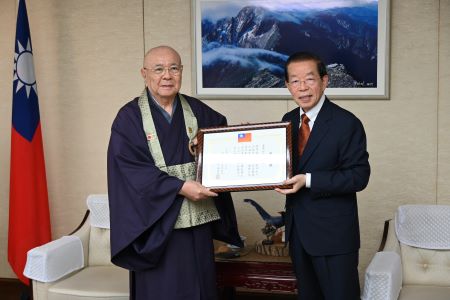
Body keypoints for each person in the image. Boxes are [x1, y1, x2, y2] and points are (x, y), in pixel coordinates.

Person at [107, 45, 242, 300]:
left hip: (197, 222)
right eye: (158, 69)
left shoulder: (197, 110)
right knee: (162, 290)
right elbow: (130, 170)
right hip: (155, 225)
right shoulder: (129, 118)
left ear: (181, 72)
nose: (166, 75)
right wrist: (180, 187)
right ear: (144, 73)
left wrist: (240, 138)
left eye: (173, 68)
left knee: (201, 285)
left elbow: (223, 142)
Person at [275, 52, 370, 300]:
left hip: (334, 237)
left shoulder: (346, 123)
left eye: (309, 79)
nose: (302, 88)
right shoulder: (287, 122)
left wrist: (308, 180)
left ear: (325, 80)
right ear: (287, 86)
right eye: (295, 81)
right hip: (299, 235)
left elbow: (358, 176)